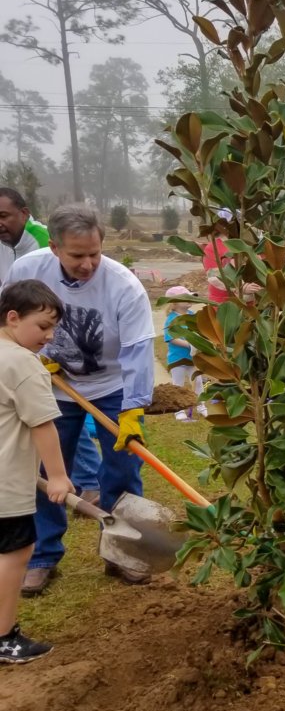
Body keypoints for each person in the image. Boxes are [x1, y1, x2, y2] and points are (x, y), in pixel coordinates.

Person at [4, 204, 156, 594]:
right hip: (53, 382)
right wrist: (34, 361)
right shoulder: (27, 270)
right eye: (77, 255)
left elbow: (138, 349)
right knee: (49, 469)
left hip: (113, 385)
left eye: (94, 253)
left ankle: (123, 551)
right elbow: (10, 321)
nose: (88, 264)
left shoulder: (123, 285)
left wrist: (133, 408)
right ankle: (42, 556)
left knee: (122, 470)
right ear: (54, 247)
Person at [0, 188, 102, 506]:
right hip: (12, 491)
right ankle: (82, 482)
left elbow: (31, 304)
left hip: (38, 357)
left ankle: (86, 480)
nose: (87, 263)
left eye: (4, 216)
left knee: (59, 424)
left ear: (24, 213)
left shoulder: (37, 239)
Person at [0, 280, 75, 663]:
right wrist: (59, 477)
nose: (49, 337)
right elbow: (43, 423)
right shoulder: (22, 363)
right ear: (13, 318)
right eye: (42, 327)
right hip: (7, 481)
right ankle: (4, 637)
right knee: (16, 552)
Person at [164, 285, 206, 422]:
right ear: (174, 303)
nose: (190, 300)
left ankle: (201, 406)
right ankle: (179, 410)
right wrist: (189, 344)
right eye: (185, 298)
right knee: (178, 385)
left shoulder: (193, 316)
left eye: (191, 297)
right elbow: (171, 338)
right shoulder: (172, 318)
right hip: (178, 359)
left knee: (198, 382)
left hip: (193, 358)